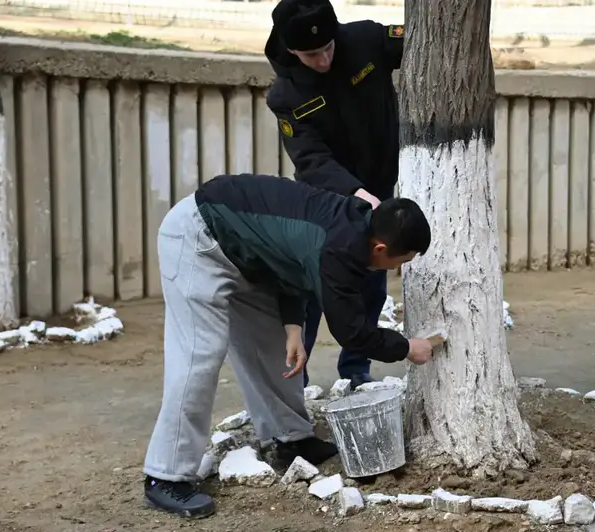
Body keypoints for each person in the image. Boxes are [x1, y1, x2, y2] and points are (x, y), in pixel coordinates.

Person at [141, 173, 434, 519]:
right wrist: (405, 348)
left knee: (276, 346)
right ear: (381, 248)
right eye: (402, 262)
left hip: (249, 257)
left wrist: (293, 326)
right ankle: (165, 476)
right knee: (199, 355)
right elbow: (352, 332)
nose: (398, 269)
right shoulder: (338, 248)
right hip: (200, 238)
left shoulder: (354, 226)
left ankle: (290, 438)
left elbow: (289, 255)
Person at [265, 0, 405, 390]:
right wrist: (355, 193)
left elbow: (423, 45)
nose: (324, 59)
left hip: (379, 183)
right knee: (311, 286)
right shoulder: (285, 94)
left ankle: (357, 370)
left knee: (371, 282)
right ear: (291, 49)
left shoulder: (366, 39)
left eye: (329, 47)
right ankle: (297, 377)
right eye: (312, 54)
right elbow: (310, 158)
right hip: (326, 199)